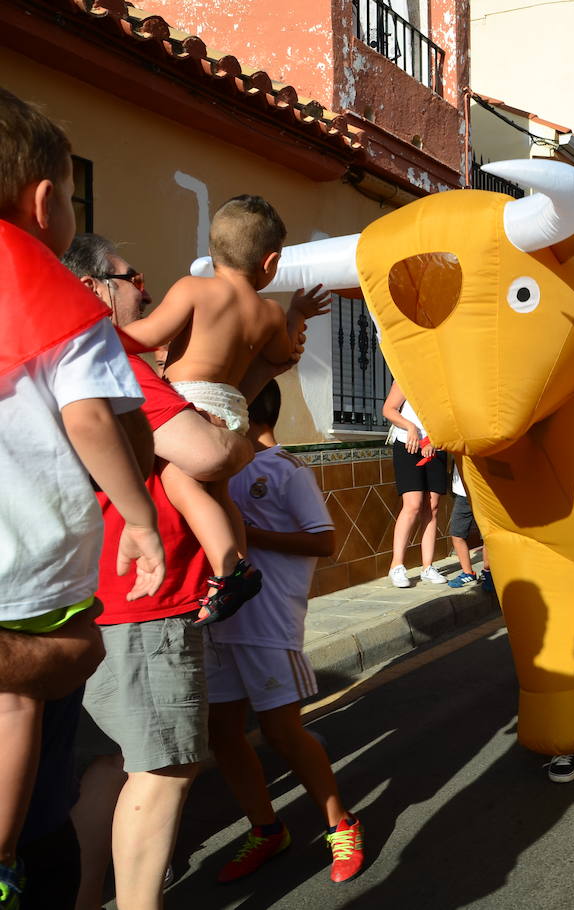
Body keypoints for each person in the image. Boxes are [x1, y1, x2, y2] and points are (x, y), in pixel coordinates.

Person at [61, 233, 261, 910]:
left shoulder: (60, 356)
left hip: (93, 595)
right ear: (95, 287)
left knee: (111, 764)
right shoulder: (109, 356)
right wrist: (227, 432)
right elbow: (204, 454)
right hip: (144, 599)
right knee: (167, 765)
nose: (143, 287)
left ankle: (89, 899)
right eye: (131, 275)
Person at [0, 90, 162, 910]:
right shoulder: (63, 304)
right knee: (23, 704)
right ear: (43, 200)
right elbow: (94, 418)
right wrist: (137, 517)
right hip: (31, 570)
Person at [121, 196, 330, 624]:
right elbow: (283, 355)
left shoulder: (193, 289)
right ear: (270, 264)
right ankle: (240, 563)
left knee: (180, 483)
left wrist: (97, 336)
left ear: (212, 250)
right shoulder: (269, 313)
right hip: (235, 410)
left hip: (193, 407)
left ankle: (227, 568)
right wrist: (296, 314)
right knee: (219, 494)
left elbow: (145, 336)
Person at [206, 380, 364, 884]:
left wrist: (247, 534)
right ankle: (267, 829)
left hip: (268, 622)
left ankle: (342, 824)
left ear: (243, 410)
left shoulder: (286, 470)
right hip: (219, 622)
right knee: (222, 734)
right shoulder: (216, 467)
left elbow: (324, 540)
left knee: (282, 732)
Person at [382, 380, 449, 588]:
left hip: (436, 446)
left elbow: (449, 416)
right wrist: (410, 427)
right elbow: (388, 409)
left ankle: (427, 567)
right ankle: (397, 565)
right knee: (412, 504)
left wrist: (431, 439)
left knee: (433, 507)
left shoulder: (445, 381)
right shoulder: (405, 376)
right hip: (407, 444)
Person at [446, 461, 480, 588]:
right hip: (463, 491)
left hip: (483, 490)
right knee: (456, 533)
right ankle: (468, 573)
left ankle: (488, 573)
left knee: (489, 535)